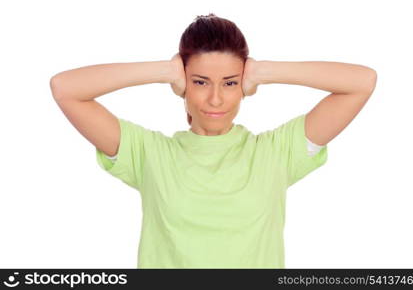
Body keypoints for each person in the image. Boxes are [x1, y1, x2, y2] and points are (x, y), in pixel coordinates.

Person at [50, 13, 376, 268]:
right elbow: (65, 89)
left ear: (245, 86)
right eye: (201, 81)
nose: (216, 99)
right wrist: (164, 70)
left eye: (230, 83)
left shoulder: (277, 152)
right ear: (183, 85)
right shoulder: (149, 153)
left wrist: (263, 71)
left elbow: (362, 82)